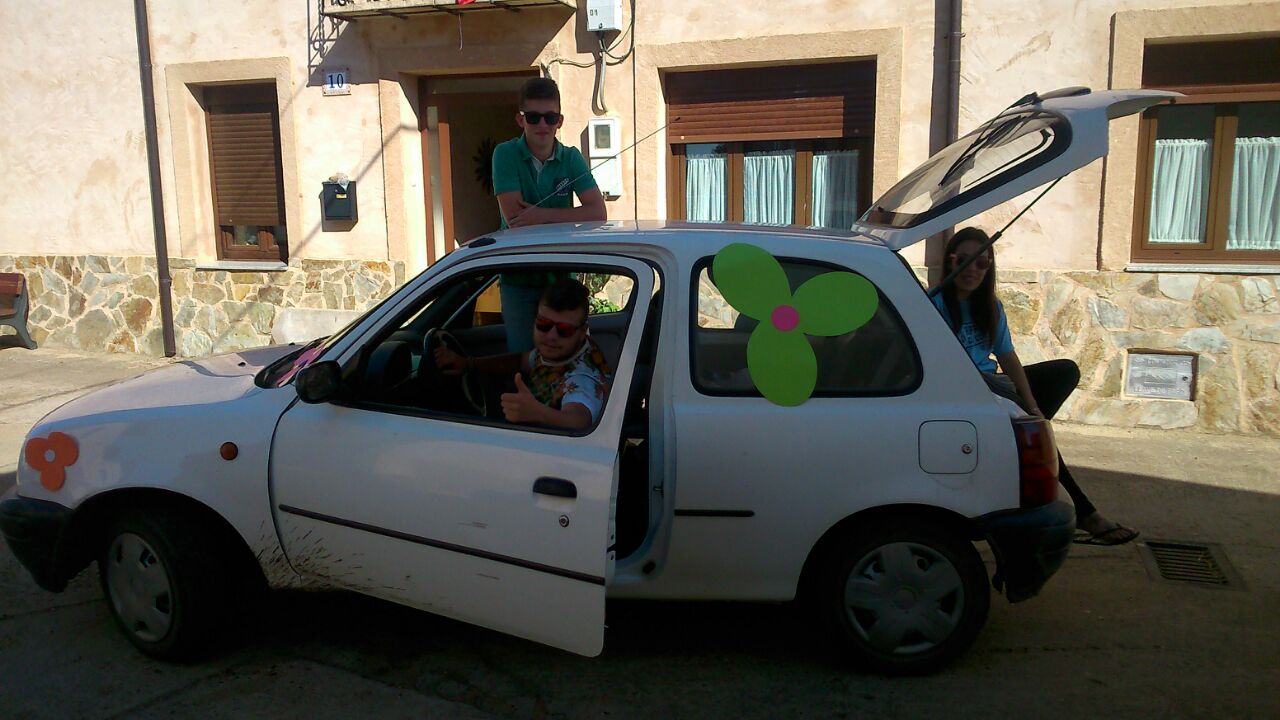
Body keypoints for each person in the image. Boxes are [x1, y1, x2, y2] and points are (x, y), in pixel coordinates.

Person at [933, 227, 1139, 546]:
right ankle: (1086, 512)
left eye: (982, 262)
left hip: (994, 385)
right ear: (950, 261)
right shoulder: (934, 305)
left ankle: (1023, 434)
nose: (973, 269)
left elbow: (1007, 356)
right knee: (1028, 429)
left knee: (1064, 372)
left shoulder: (990, 307)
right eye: (964, 260)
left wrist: (1032, 406)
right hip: (962, 390)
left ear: (989, 267)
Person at [491, 77, 607, 353]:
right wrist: (567, 215)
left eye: (550, 117)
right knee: (524, 358)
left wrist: (540, 215)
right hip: (518, 277)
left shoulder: (571, 157)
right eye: (534, 117)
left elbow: (598, 212)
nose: (542, 125)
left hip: (560, 277)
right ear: (521, 120)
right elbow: (516, 220)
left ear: (560, 121)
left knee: (566, 358)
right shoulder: (504, 154)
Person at [434, 278, 611, 431]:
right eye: (543, 324)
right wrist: (469, 364)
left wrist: (537, 413)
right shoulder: (560, 354)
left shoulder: (582, 377)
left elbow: (580, 420)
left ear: (582, 332)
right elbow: (521, 361)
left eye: (564, 330)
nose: (551, 336)